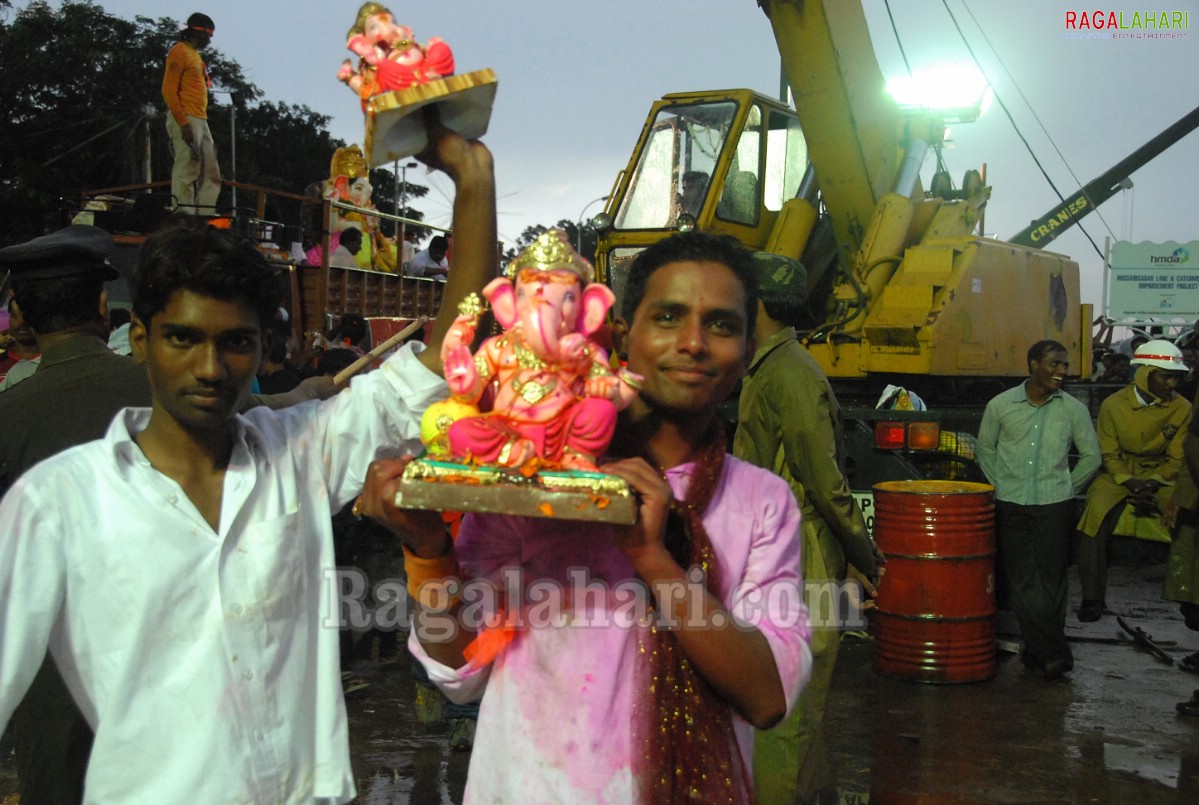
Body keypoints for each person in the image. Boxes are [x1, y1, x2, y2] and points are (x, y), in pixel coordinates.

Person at [0, 129, 496, 802]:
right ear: (139, 339)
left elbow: (442, 359)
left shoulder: (297, 454)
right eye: (183, 338)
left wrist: (472, 179)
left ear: (263, 350)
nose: (210, 368)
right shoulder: (58, 502)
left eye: (236, 343)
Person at [358, 231, 811, 803]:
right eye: (668, 317)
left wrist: (652, 558)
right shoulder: (533, 485)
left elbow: (766, 697)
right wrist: (427, 553)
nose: (694, 342)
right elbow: (460, 667)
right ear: (622, 334)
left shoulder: (761, 501)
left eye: (721, 324)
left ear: (747, 351)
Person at [733, 252, 878, 805]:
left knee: (791, 707)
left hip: (802, 558)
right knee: (797, 700)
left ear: (760, 303)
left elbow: (825, 482)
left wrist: (865, 555)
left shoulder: (789, 374)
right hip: (787, 556)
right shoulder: (777, 367)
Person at [976, 340, 1101, 679]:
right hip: (1010, 502)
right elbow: (985, 450)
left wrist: (1066, 488)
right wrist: (1001, 485)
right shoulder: (1000, 405)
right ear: (1033, 365)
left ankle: (1039, 651)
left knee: (1052, 581)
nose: (1062, 371)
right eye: (1055, 364)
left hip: (1054, 505)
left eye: (1064, 365)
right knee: (1022, 579)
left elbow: (1092, 456)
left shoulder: (1072, 409)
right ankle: (1053, 653)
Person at [1075, 339, 1191, 621]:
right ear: (1144, 373)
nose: (1171, 384)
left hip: (1162, 475)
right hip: (1119, 473)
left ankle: (1189, 597)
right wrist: (1129, 481)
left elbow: (1177, 458)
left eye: (1175, 377)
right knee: (1094, 515)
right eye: (1165, 376)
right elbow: (1109, 453)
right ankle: (1092, 597)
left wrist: (1152, 482)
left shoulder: (1183, 408)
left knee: (1188, 518)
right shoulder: (1113, 405)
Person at [161, 12, 221, 215]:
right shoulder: (179, 51)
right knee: (187, 167)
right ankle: (183, 213)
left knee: (209, 168)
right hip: (186, 117)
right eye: (209, 35)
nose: (210, 40)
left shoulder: (195, 55)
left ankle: (205, 213)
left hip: (200, 118)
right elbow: (168, 90)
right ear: (198, 32)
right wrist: (183, 123)